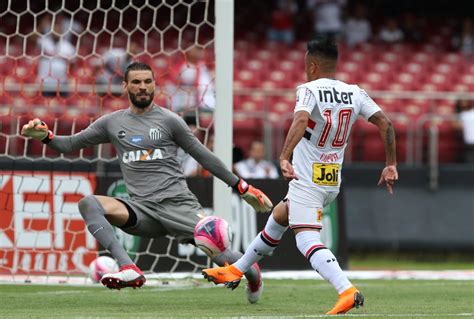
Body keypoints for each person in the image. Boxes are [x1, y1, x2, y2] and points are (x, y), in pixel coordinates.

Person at [21, 62, 273, 303]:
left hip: (178, 205)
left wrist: (242, 187)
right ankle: (128, 267)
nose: (143, 86)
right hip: (141, 210)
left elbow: (203, 156)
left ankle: (253, 276)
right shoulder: (112, 122)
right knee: (89, 203)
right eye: (137, 82)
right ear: (125, 86)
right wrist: (47, 136)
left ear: (155, 85)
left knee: (223, 255)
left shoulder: (169, 120)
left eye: (148, 81)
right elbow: (70, 144)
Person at [202, 37, 398, 315]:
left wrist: (284, 156)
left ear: (313, 65)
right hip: (331, 180)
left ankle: (347, 290)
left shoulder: (308, 89)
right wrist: (391, 164)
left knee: (306, 241)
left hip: (308, 180)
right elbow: (386, 124)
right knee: (280, 216)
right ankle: (236, 269)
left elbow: (301, 120)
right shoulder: (355, 92)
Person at [169, 46, 215, 113]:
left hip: (205, 98)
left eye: (198, 50)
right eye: (194, 50)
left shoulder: (202, 64)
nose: (198, 53)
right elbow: (177, 79)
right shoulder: (184, 66)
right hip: (188, 100)